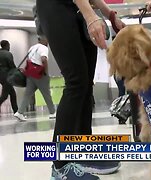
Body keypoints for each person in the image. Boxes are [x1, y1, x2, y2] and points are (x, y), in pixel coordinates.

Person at [37, 0, 125, 179]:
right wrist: (90, 16)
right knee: (76, 82)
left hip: (79, 7)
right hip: (56, 6)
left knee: (86, 83)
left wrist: (109, 14)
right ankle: (60, 166)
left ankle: (83, 153)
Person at [13, 37, 56, 121]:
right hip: (40, 74)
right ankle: (52, 113)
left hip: (30, 74)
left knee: (27, 94)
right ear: (42, 40)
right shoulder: (44, 48)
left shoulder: (32, 47)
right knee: (46, 93)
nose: (48, 41)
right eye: (47, 39)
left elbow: (29, 60)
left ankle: (20, 112)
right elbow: (43, 59)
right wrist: (46, 73)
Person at [0, 40, 18, 114]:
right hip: (6, 76)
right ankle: (17, 112)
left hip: (1, 77)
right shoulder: (8, 54)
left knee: (13, 94)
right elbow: (11, 66)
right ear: (7, 45)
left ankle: (16, 112)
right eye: (9, 45)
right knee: (4, 96)